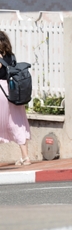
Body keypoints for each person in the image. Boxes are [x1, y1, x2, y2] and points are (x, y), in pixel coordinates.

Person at [0, 31, 31, 166]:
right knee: (17, 123)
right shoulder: (11, 57)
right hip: (13, 91)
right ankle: (25, 157)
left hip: (1, 92)